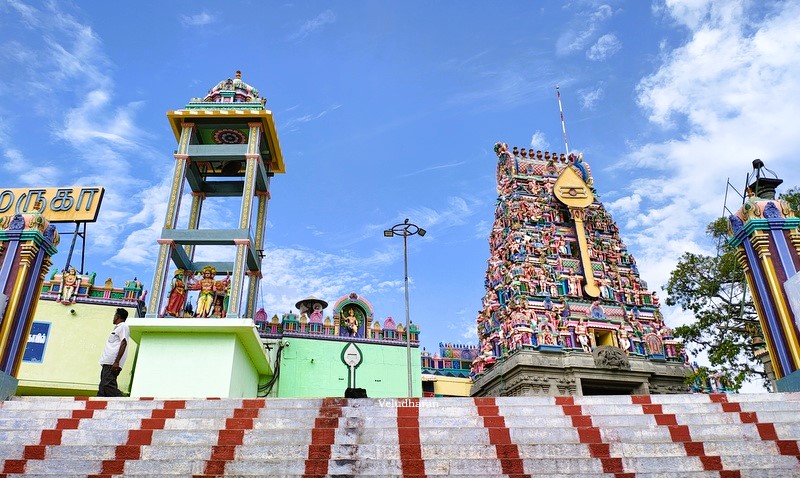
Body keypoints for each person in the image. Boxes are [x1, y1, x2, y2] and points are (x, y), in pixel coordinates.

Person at [98, 308, 130, 397]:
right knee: (103, 386)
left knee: (107, 385)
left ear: (118, 316)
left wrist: (116, 362)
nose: (113, 318)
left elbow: (124, 343)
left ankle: (122, 401)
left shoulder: (123, 327)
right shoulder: (117, 328)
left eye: (114, 315)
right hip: (107, 361)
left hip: (112, 362)